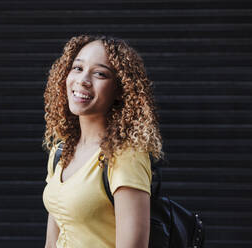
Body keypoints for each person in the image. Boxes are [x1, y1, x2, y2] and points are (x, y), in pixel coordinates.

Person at [42, 34, 165, 248]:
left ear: (120, 90)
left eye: (100, 73)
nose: (82, 80)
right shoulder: (61, 151)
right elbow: (53, 240)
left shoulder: (125, 156)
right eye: (77, 68)